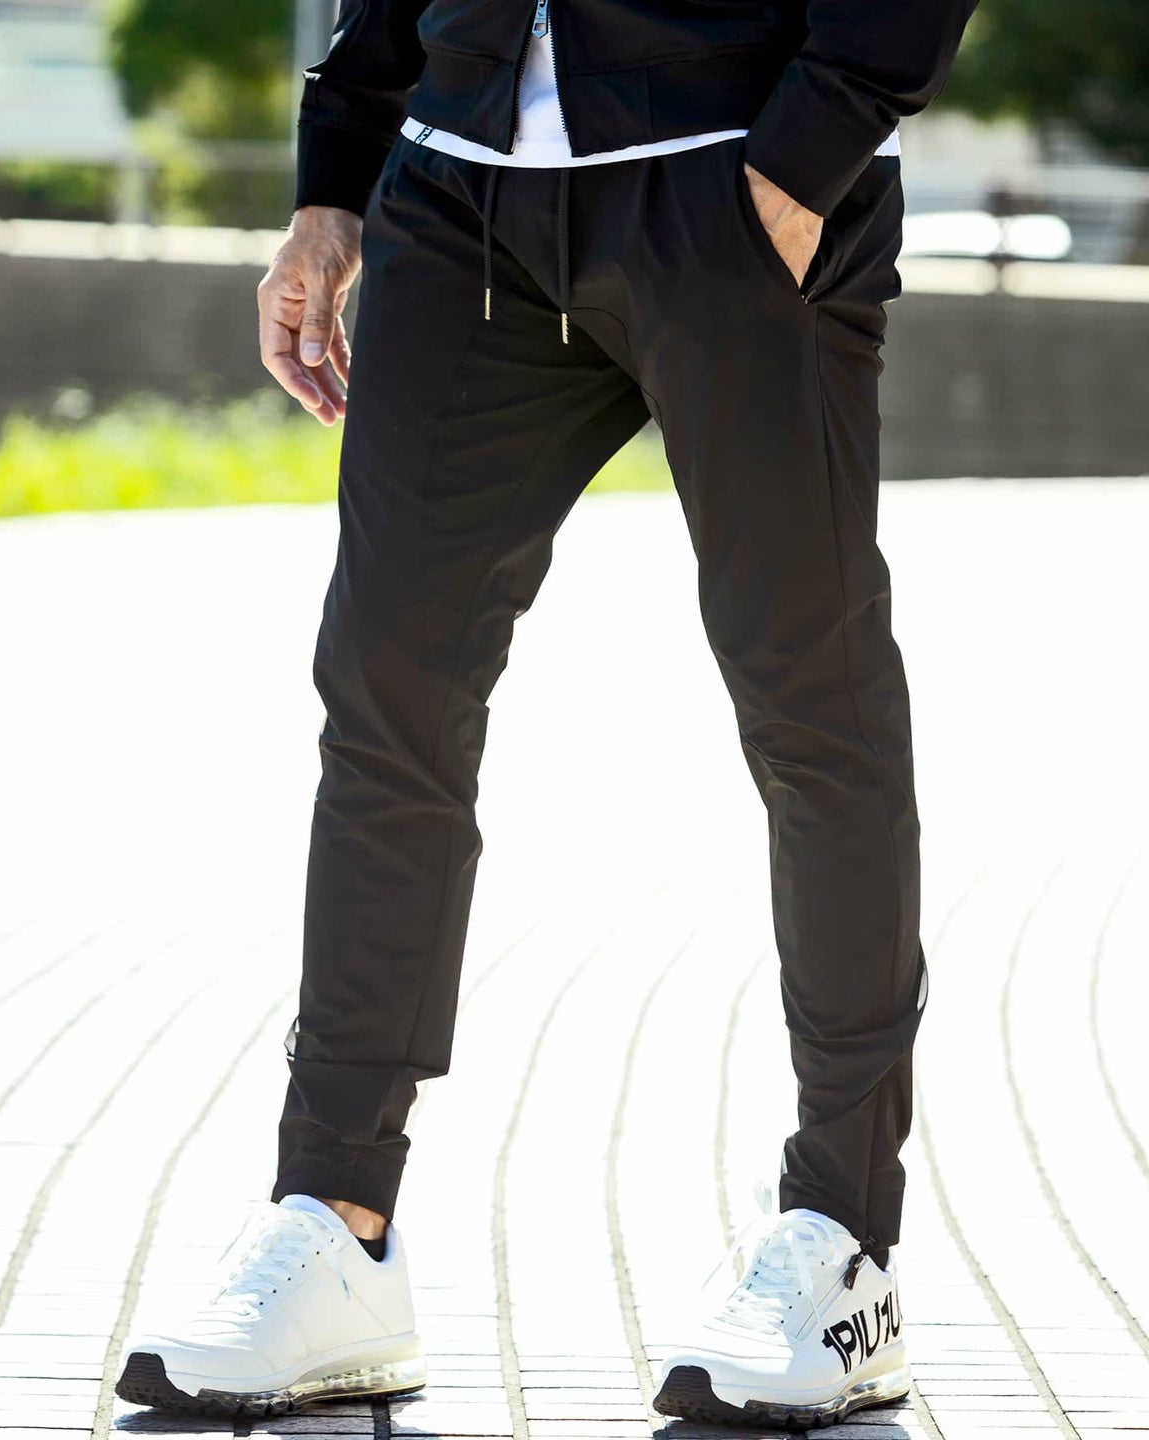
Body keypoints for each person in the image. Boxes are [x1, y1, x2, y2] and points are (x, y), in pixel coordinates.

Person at [116, 0, 975, 1424]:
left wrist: (805, 152)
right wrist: (339, 174)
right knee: (386, 691)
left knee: (809, 704)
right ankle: (336, 1220)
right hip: (459, 189)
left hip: (730, 173)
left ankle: (843, 1243)